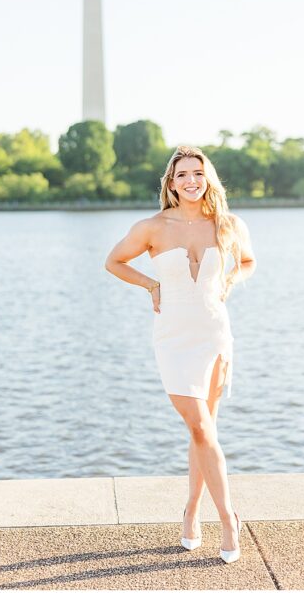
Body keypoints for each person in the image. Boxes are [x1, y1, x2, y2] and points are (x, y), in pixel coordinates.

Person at [105, 145, 255, 564]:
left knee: (202, 432)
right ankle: (229, 517)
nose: (191, 180)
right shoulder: (152, 227)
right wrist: (150, 286)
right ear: (171, 183)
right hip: (172, 338)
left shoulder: (227, 224)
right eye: (183, 174)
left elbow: (248, 261)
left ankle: (192, 512)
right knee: (202, 429)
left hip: (214, 333)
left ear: (208, 179)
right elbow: (113, 261)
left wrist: (228, 280)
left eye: (198, 173)